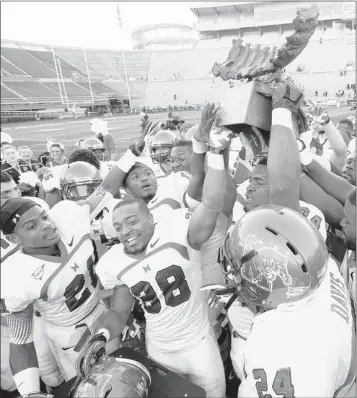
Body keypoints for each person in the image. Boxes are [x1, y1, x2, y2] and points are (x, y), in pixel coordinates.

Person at [95, 122, 232, 397]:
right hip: (158, 347)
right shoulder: (113, 262)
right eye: (119, 227)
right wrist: (101, 336)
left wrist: (215, 152)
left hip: (197, 343)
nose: (126, 232)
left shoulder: (177, 229)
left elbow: (213, 202)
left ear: (150, 218)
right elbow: (119, 312)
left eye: (132, 222)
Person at [0, 151, 138, 396]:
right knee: (86, 387)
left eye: (44, 217)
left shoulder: (68, 217)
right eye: (32, 226)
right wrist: (30, 392)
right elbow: (21, 341)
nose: (47, 225)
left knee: (119, 376)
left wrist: (131, 155)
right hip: (70, 335)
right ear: (13, 239)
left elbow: (103, 191)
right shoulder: (15, 273)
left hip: (104, 313)